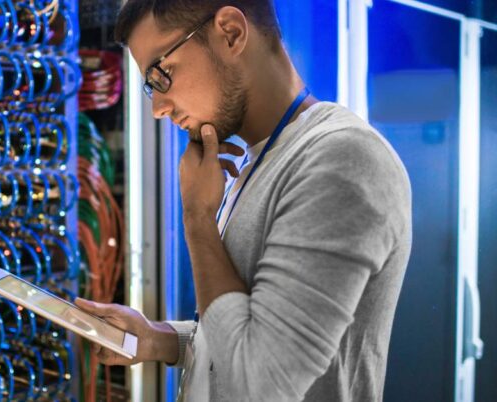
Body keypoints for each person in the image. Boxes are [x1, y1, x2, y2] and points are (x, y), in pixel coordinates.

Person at [74, 1, 413, 401]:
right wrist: (160, 339)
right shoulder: (257, 158)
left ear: (231, 32)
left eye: (160, 74)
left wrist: (198, 218)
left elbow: (260, 383)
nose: (158, 108)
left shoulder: (343, 159)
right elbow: (253, 328)